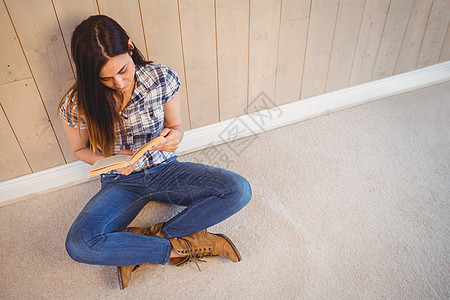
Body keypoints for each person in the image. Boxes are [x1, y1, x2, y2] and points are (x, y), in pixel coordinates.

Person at [59, 15, 252, 289]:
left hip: (166, 169)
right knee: (79, 244)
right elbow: (79, 149)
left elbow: (176, 127)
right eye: (107, 79)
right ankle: (179, 247)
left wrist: (175, 137)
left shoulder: (161, 77)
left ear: (130, 47)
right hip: (120, 181)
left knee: (238, 190)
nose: (120, 82)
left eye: (123, 70)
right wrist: (108, 162)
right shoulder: (77, 103)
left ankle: (143, 241)